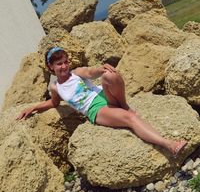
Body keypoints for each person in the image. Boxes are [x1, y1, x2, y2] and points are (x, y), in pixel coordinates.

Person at [17, 46, 187, 156]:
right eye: (59, 64)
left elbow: (91, 72)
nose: (64, 66)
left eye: (65, 62)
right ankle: (169, 145)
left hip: (107, 97)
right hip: (96, 109)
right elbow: (53, 103)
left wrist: (102, 68)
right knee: (130, 119)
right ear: (51, 67)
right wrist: (33, 108)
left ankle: (124, 106)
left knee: (110, 75)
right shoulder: (55, 87)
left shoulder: (77, 73)